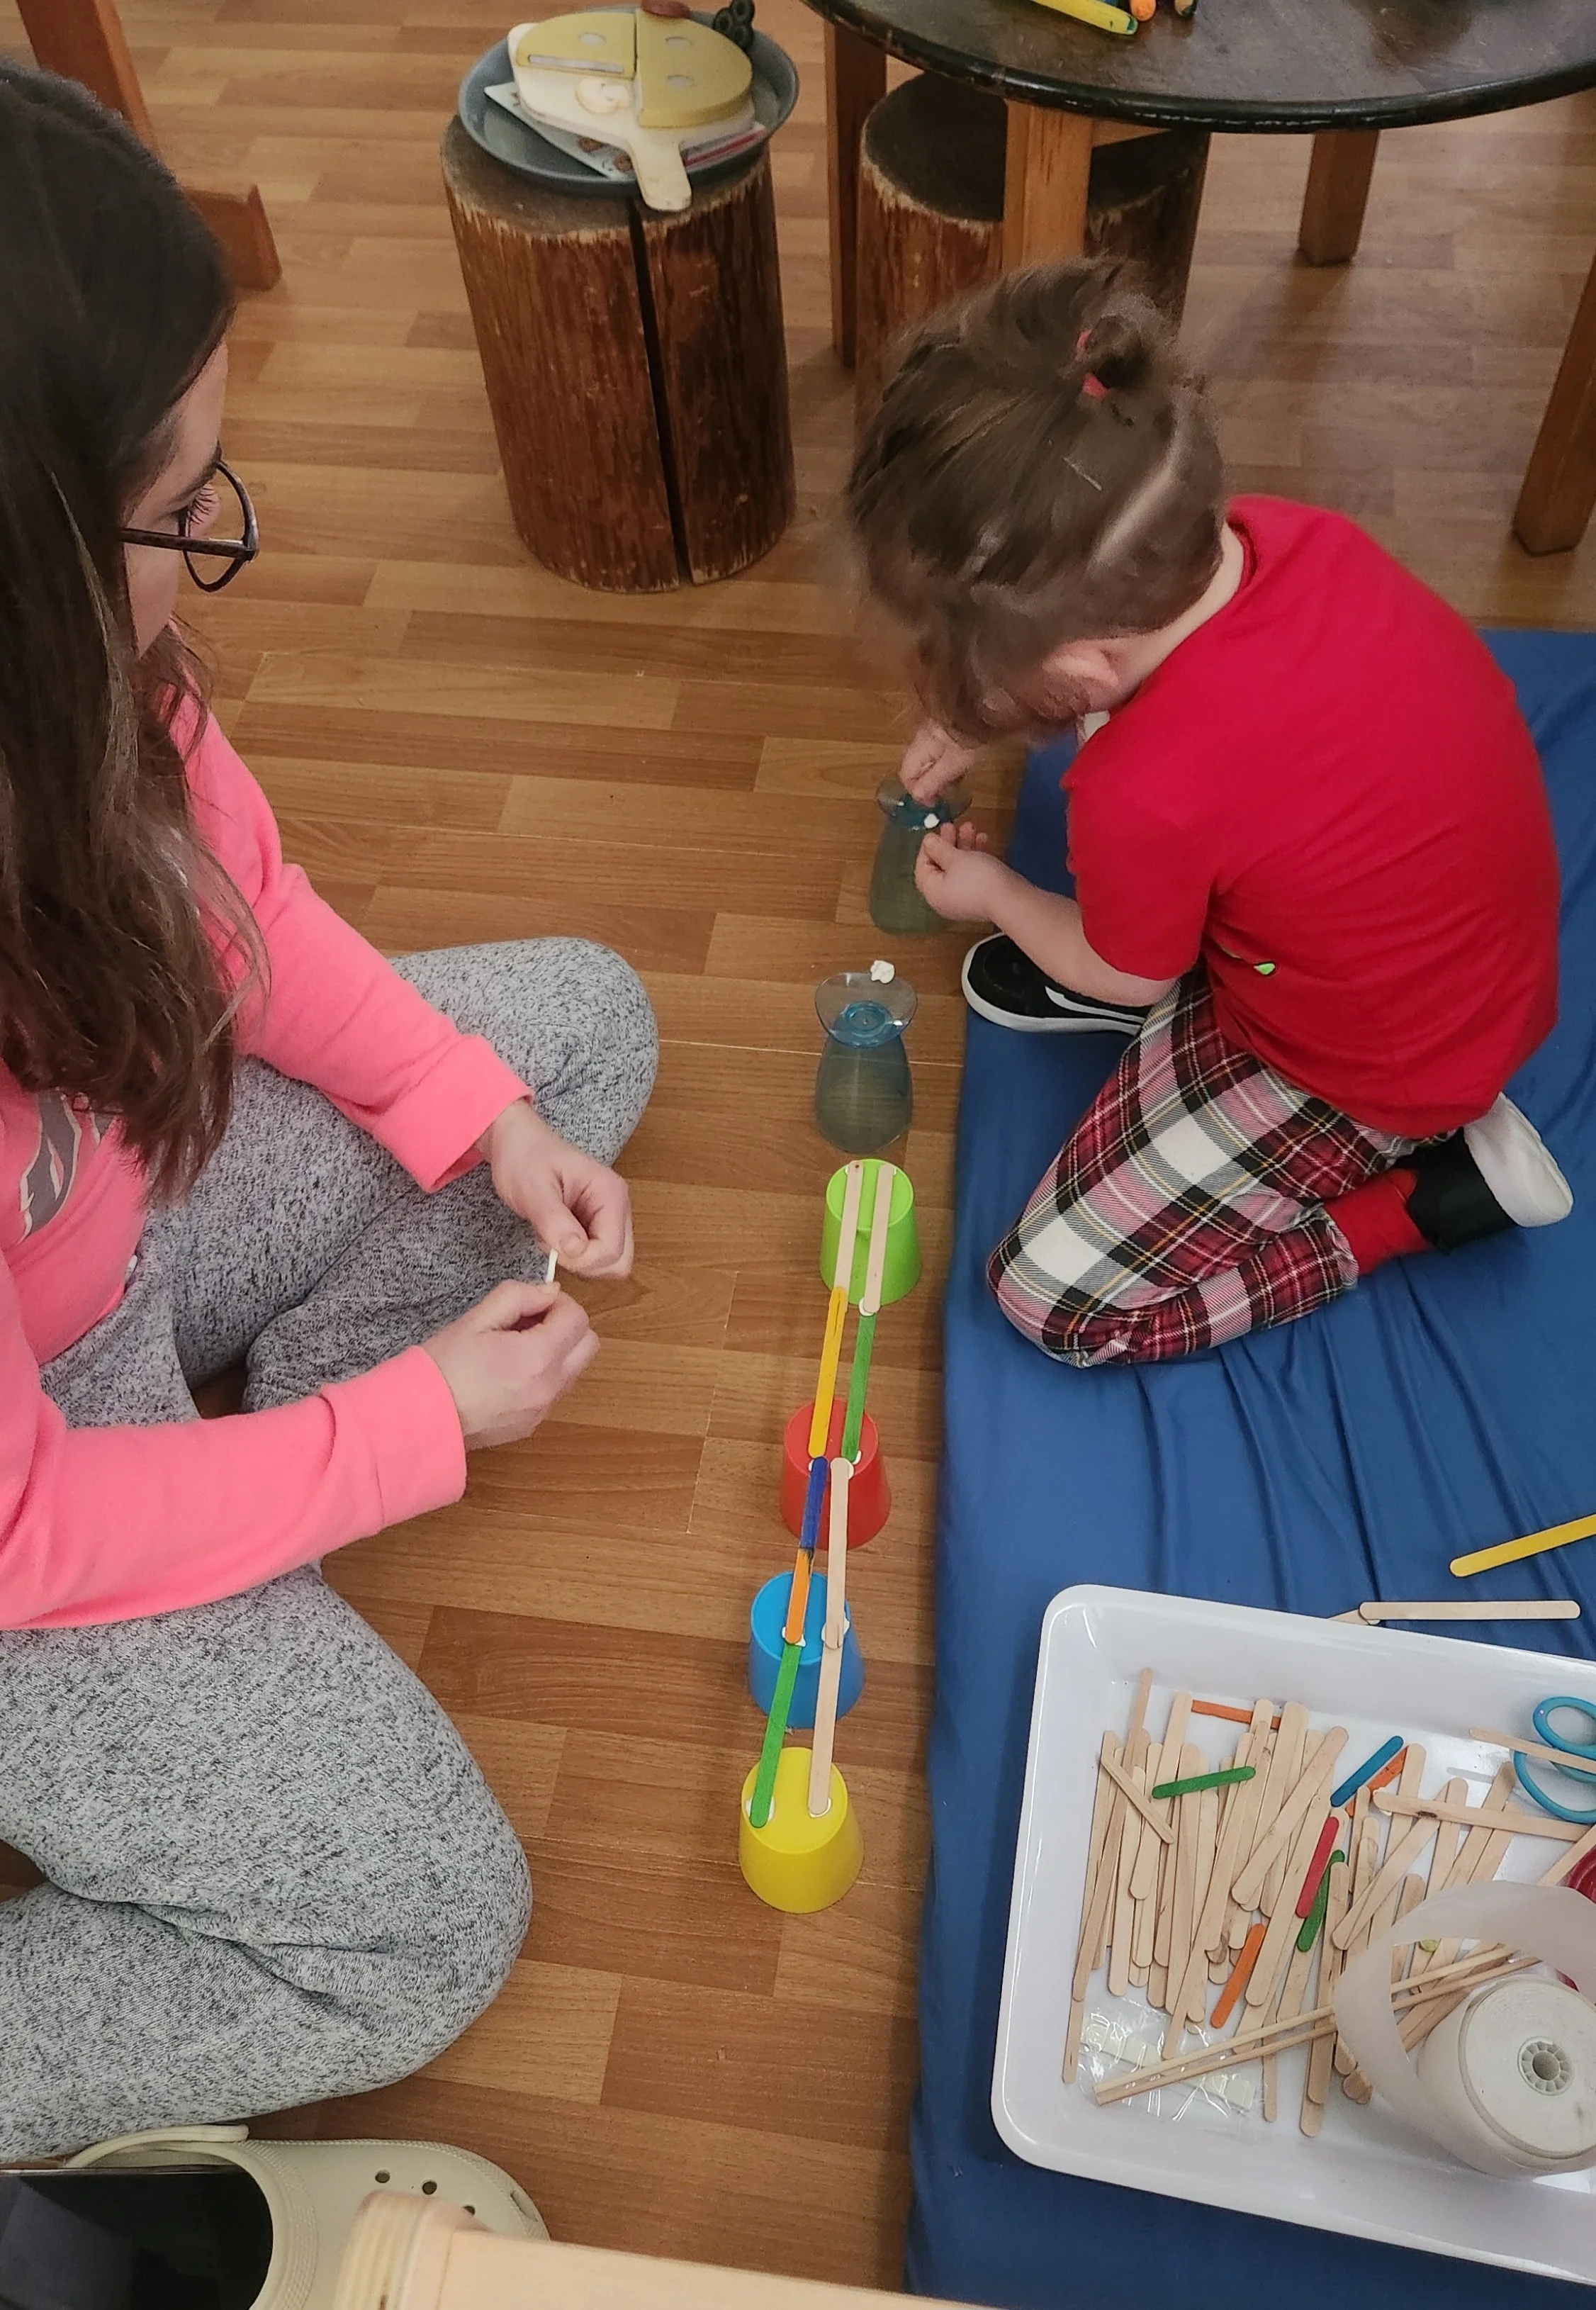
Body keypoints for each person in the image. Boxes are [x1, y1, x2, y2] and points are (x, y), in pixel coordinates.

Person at [0, 65, 657, 2155]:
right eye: (174, 501)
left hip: (101, 1272)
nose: (210, 541)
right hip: (23, 1507)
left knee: (575, 1034)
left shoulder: (90, 697)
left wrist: (479, 1121)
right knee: (422, 1926)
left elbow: (246, 919)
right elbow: (20, 1532)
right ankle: (252, 1500)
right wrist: (405, 1433)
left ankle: (243, 1479)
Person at [844, 260, 1570, 1369]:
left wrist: (995, 893)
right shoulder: (1279, 534)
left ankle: (1424, 1201)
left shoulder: (1147, 791)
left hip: (1382, 1074)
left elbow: (1127, 967)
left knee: (1049, 1301)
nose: (950, 680)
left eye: (967, 659)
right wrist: (992, 709)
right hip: (1455, 970)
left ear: (1085, 655)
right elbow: (1207, 744)